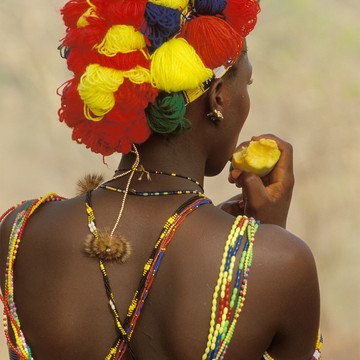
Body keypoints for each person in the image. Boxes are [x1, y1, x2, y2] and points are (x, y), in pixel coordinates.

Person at [0, 0, 322, 359]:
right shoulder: (280, 262)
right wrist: (269, 237)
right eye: (247, 82)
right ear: (218, 98)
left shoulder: (20, 233)